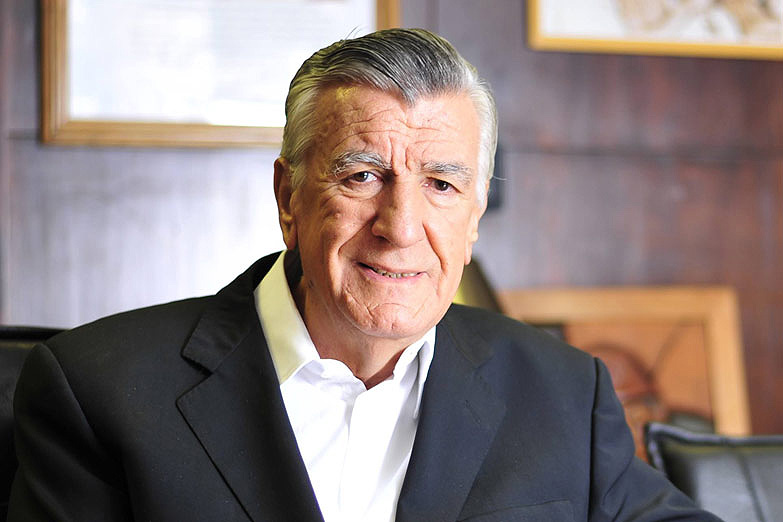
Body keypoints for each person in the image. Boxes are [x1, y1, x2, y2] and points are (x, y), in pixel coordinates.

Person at [9, 29, 720, 521]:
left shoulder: (560, 391)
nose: (401, 226)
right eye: (362, 176)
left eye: (441, 185)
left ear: (474, 214)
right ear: (289, 197)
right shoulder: (98, 391)